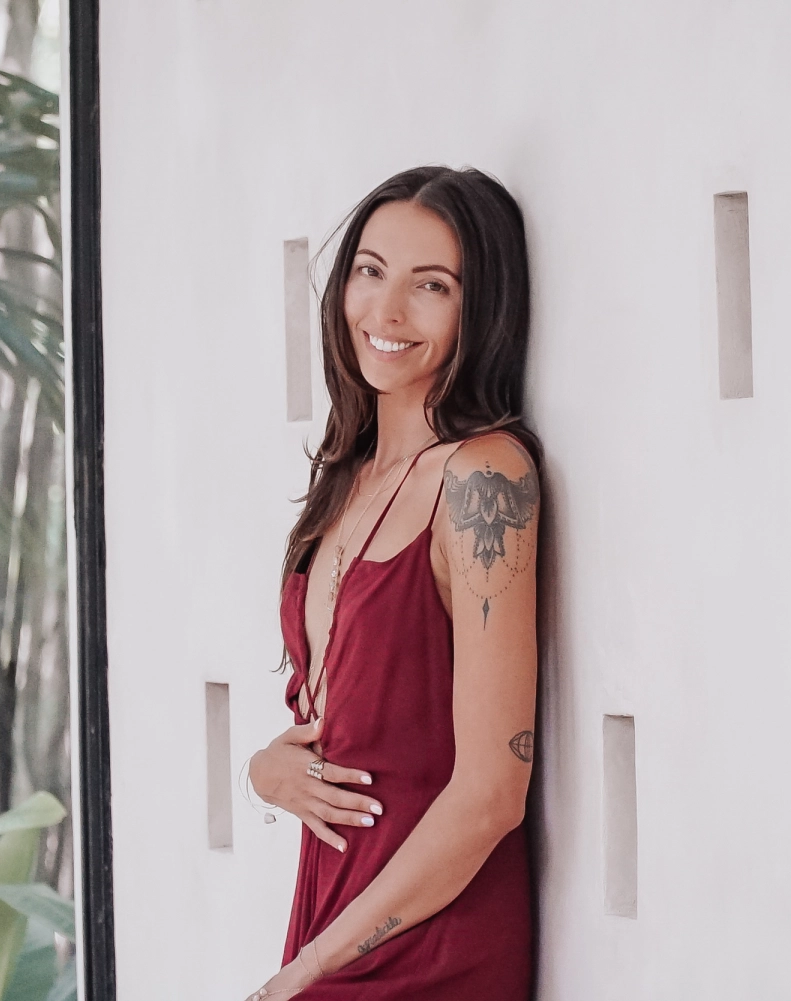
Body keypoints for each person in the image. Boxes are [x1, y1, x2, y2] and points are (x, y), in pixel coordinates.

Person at [245, 166, 541, 1000]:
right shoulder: (346, 477)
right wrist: (264, 772)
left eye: (432, 285)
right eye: (370, 272)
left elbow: (492, 793)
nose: (388, 310)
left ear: (481, 310)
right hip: (335, 919)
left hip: (433, 944)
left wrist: (311, 968)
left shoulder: (484, 478)